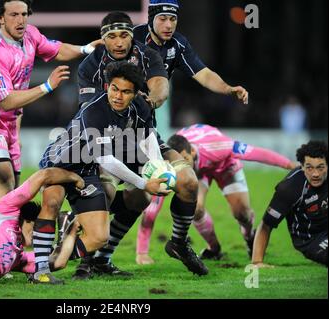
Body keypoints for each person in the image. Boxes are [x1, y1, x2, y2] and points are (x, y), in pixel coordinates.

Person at [68, 12, 205, 278]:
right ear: (103, 38)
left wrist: (156, 162)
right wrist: (146, 181)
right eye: (111, 36)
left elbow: (160, 86)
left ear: (133, 35)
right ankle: (90, 258)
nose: (119, 42)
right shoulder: (88, 66)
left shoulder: (148, 56)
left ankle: (177, 242)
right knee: (109, 194)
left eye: (124, 35)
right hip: (105, 141)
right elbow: (93, 119)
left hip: (143, 135)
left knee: (187, 181)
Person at [37, 61, 170, 284]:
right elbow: (105, 159)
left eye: (126, 91)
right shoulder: (94, 109)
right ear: (107, 86)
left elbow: (149, 139)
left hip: (86, 170)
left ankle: (48, 262)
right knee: (51, 202)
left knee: (99, 237)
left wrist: (158, 170)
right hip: (60, 163)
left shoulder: (141, 106)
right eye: (114, 88)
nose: (118, 96)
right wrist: (143, 183)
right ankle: (39, 271)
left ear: (135, 93)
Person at [0, 0, 103, 207]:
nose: (21, 20)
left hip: (10, 124)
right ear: (0, 18)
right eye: (13, 15)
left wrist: (85, 49)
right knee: (5, 187)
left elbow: (56, 50)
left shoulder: (30, 34)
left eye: (24, 14)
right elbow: (7, 101)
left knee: (14, 196)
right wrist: (47, 86)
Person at [136, 124, 298, 265]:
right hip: (198, 173)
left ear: (192, 151)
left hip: (224, 166)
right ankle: (214, 249)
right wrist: (142, 252)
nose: (182, 164)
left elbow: (254, 152)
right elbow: (151, 210)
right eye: (178, 162)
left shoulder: (217, 146)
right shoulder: (171, 161)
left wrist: (289, 164)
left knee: (242, 213)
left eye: (184, 159)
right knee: (196, 209)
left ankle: (249, 237)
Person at [133, 0, 249, 104]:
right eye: (162, 19)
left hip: (145, 112)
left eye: (173, 19)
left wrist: (228, 89)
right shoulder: (132, 37)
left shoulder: (178, 44)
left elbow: (205, 75)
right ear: (151, 19)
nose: (168, 25)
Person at [252, 141, 328, 267]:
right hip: (311, 239)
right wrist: (257, 261)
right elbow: (266, 225)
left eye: (321, 167)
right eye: (309, 167)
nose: (315, 174)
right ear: (302, 166)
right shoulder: (290, 188)